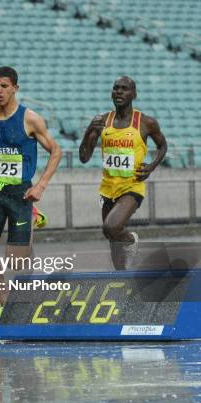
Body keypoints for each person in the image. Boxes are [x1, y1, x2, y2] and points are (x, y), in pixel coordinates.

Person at [0, 66, 61, 324]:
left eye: (4, 86)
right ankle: (6, 306)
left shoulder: (30, 119)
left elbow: (56, 151)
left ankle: (33, 215)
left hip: (22, 195)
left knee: (16, 261)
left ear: (15, 89)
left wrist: (41, 185)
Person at [79, 76, 166, 270]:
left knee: (111, 227)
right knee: (112, 240)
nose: (119, 92)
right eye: (116, 88)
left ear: (134, 94)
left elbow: (162, 145)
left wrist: (151, 166)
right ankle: (122, 281)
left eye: (124, 89)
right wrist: (88, 132)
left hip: (132, 186)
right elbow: (84, 157)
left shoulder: (146, 122)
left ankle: (129, 239)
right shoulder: (102, 122)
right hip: (108, 188)